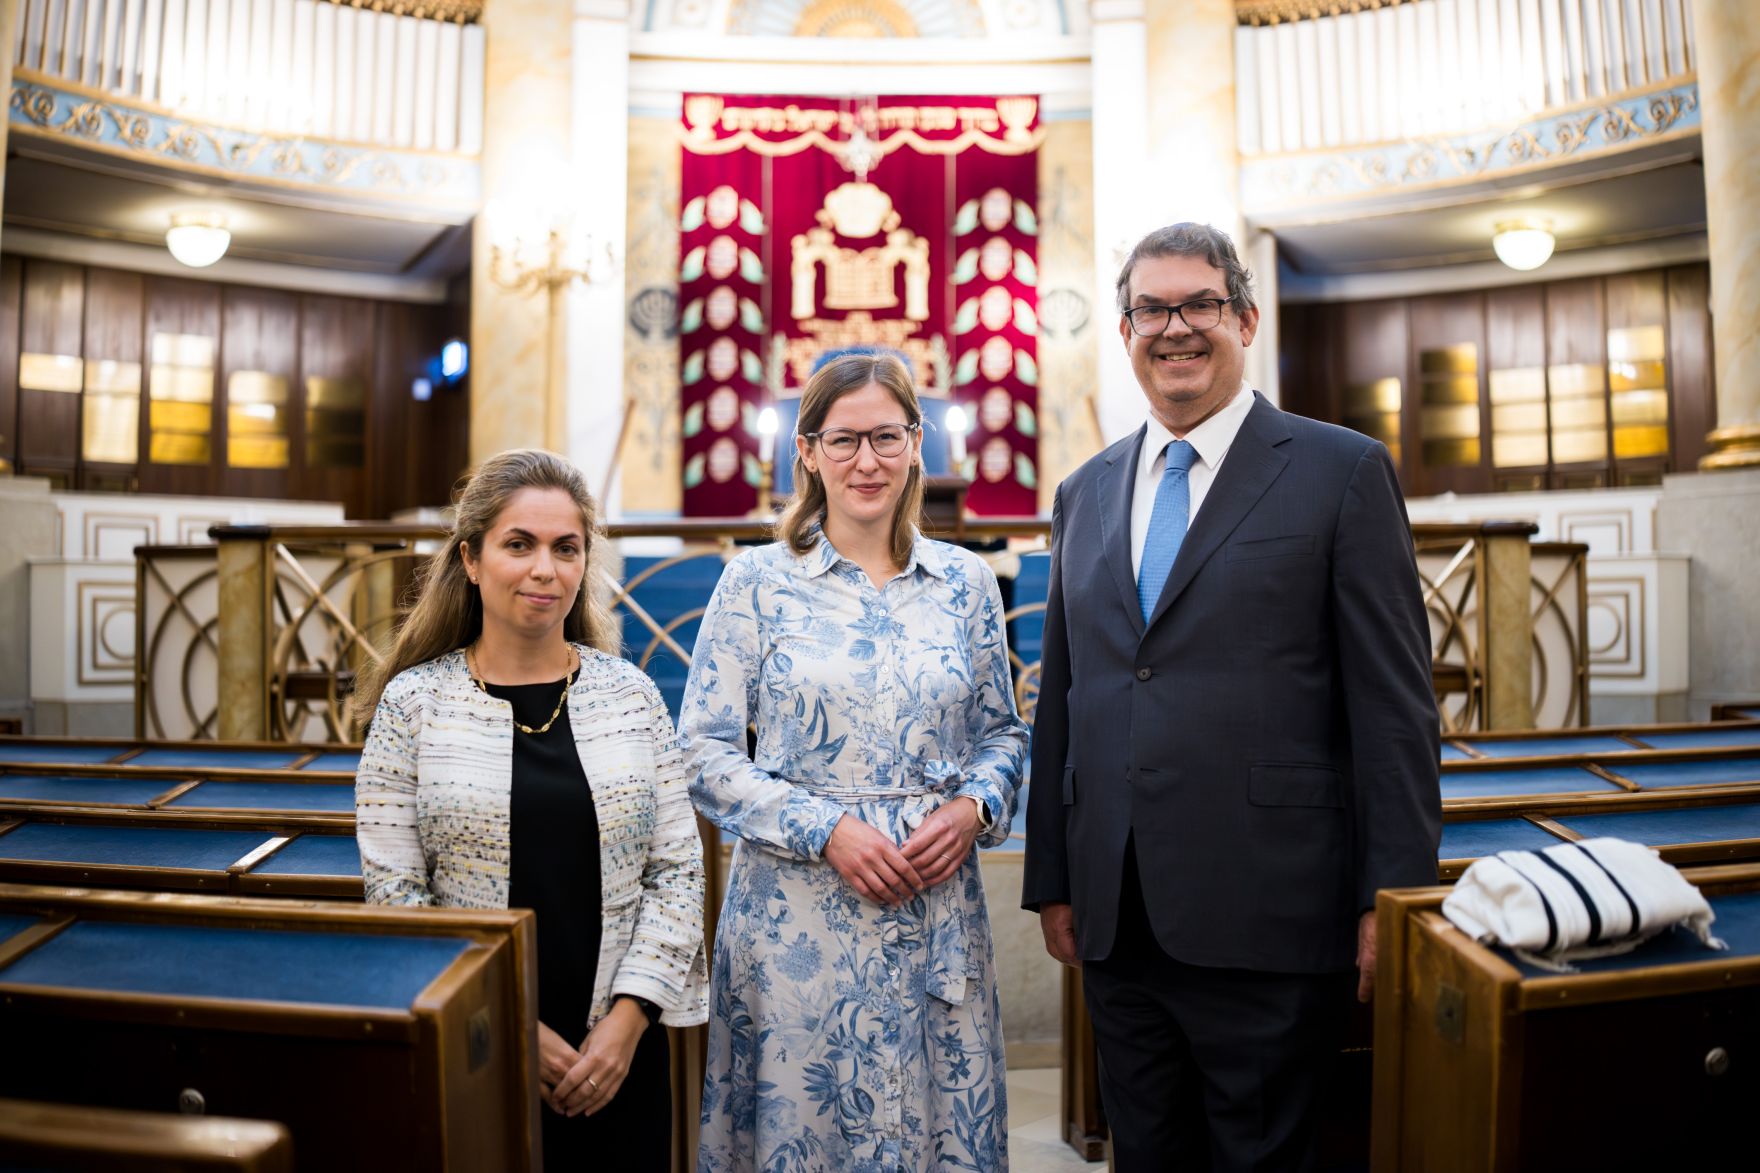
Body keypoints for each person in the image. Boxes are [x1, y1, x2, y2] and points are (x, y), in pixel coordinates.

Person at [1022, 224, 1441, 1172]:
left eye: (1200, 304)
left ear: (1245, 318)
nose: (1175, 328)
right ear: (1125, 331)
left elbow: (1394, 709)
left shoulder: (1341, 471)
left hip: (1273, 912)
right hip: (1118, 921)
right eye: (1150, 310)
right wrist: (1053, 873)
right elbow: (1071, 696)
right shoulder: (1083, 491)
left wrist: (1396, 898)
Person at [681, 351, 1029, 1172]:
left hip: (932, 905)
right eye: (843, 440)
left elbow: (1005, 734)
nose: (866, 461)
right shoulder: (755, 583)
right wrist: (825, 828)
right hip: (797, 916)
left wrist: (973, 806)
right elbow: (702, 748)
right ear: (806, 451)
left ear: (917, 444)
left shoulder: (968, 584)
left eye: (886, 436)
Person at [353, 448, 706, 1170]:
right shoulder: (414, 704)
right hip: (479, 1042)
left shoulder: (631, 696)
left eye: (566, 548)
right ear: (472, 559)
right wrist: (513, 1025)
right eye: (519, 544)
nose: (546, 569)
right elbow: (397, 895)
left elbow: (677, 873)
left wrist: (628, 1020)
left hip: (620, 1051)